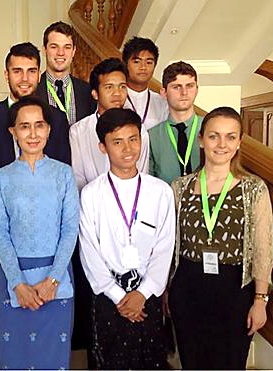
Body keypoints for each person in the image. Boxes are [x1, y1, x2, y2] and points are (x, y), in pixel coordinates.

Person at [168, 107, 273, 369]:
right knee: (192, 362)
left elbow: (263, 247)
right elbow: (168, 245)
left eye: (230, 137)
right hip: (188, 287)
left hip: (234, 290)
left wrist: (260, 300)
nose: (221, 144)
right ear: (202, 140)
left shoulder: (253, 188)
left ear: (239, 142)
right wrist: (166, 291)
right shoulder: (179, 187)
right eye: (214, 136)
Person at [79, 108, 175, 370]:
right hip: (109, 297)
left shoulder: (160, 192)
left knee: (151, 360)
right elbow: (89, 250)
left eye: (133, 139)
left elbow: (165, 248)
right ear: (103, 147)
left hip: (148, 296)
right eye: (117, 141)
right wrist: (118, 296)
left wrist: (142, 293)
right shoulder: (91, 194)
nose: (127, 148)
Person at [0, 96, 79, 370]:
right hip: (14, 278)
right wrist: (17, 284)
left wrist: (52, 280)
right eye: (24, 126)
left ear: (49, 130)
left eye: (39, 125)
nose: (32, 133)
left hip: (57, 275)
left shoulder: (63, 174)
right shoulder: (2, 177)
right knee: (15, 355)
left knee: (53, 356)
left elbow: (70, 228)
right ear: (12, 132)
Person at [0, 42, 71, 175]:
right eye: (17, 71)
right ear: (6, 75)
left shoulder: (57, 118)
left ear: (39, 75)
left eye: (31, 71)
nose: (25, 78)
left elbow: (64, 172)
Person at [70, 57, 150, 190]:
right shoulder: (78, 131)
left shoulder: (139, 130)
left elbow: (141, 174)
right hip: (92, 202)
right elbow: (78, 178)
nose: (117, 93)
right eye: (109, 87)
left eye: (122, 87)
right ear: (95, 94)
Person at [149, 61, 202, 184]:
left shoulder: (210, 128)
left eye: (189, 86)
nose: (184, 92)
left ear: (197, 89)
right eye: (176, 87)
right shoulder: (152, 136)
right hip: (168, 200)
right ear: (164, 92)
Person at [36, 21, 96, 124]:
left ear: (74, 51)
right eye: (54, 47)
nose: (61, 53)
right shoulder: (33, 90)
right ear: (44, 50)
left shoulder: (87, 91)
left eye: (67, 47)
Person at [122, 36, 168, 130]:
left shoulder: (162, 103)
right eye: (137, 62)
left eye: (149, 62)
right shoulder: (116, 98)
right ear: (125, 64)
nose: (143, 67)